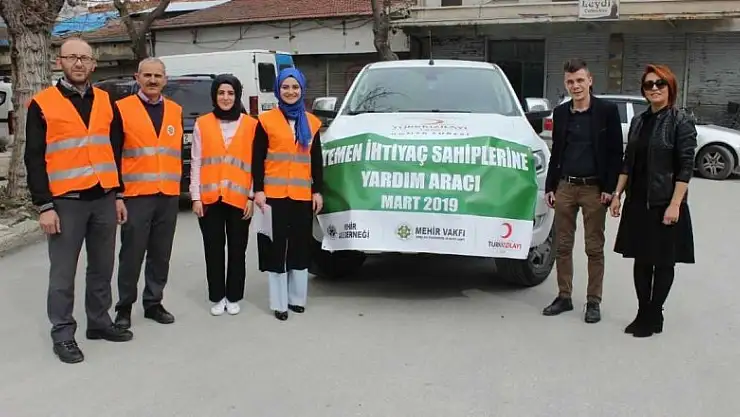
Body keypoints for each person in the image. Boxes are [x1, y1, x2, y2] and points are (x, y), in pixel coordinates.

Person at [24, 38, 133, 364]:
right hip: (66, 202)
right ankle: (63, 333)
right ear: (60, 62)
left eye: (84, 58)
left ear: (93, 64)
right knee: (63, 273)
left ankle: (99, 322)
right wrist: (44, 205)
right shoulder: (42, 104)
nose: (79, 63)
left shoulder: (106, 101)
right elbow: (33, 158)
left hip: (103, 198)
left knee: (102, 267)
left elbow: (114, 150)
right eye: (72, 57)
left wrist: (118, 194)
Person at [610, 64, 696, 338]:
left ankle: (655, 313)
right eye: (649, 84)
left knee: (663, 262)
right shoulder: (639, 121)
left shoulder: (681, 121)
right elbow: (628, 162)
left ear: (670, 87)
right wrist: (617, 195)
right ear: (643, 90)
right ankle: (642, 312)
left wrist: (675, 204)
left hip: (664, 203)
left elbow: (686, 166)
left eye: (660, 83)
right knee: (642, 260)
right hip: (638, 202)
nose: (655, 88)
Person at [542, 58, 624, 324]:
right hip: (565, 187)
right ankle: (564, 296)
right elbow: (557, 151)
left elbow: (615, 152)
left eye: (579, 80)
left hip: (594, 190)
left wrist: (610, 188)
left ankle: (593, 301)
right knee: (563, 246)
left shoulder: (607, 111)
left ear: (590, 80)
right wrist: (551, 186)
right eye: (570, 81)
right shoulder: (561, 113)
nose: (575, 86)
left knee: (594, 248)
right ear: (565, 84)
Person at [111, 57, 183, 330]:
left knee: (160, 254)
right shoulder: (122, 109)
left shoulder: (175, 110)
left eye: (158, 76)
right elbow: (114, 154)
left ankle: (153, 303)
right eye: (147, 75)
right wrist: (118, 195)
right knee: (131, 254)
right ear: (137, 77)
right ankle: (124, 308)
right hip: (136, 195)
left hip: (168, 195)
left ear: (165, 79)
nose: (153, 80)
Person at [252, 68, 323, 321]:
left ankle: (297, 299)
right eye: (285, 87)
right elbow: (257, 157)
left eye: (295, 87)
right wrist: (258, 190)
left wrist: (317, 191)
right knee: (277, 248)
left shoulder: (312, 122)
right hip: (274, 196)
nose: (290, 92)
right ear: (278, 90)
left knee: (300, 246)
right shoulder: (266, 121)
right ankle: (279, 303)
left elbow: (316, 161)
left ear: (302, 90)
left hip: (302, 195)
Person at [190, 74, 257, 316]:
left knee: (238, 250)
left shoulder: (251, 125)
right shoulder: (202, 123)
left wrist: (251, 196)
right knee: (213, 249)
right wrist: (195, 197)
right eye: (221, 93)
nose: (226, 97)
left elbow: (255, 164)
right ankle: (218, 296)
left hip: (239, 199)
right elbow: (196, 161)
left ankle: (234, 295)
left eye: (230, 93)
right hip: (210, 200)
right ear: (214, 96)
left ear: (237, 96)